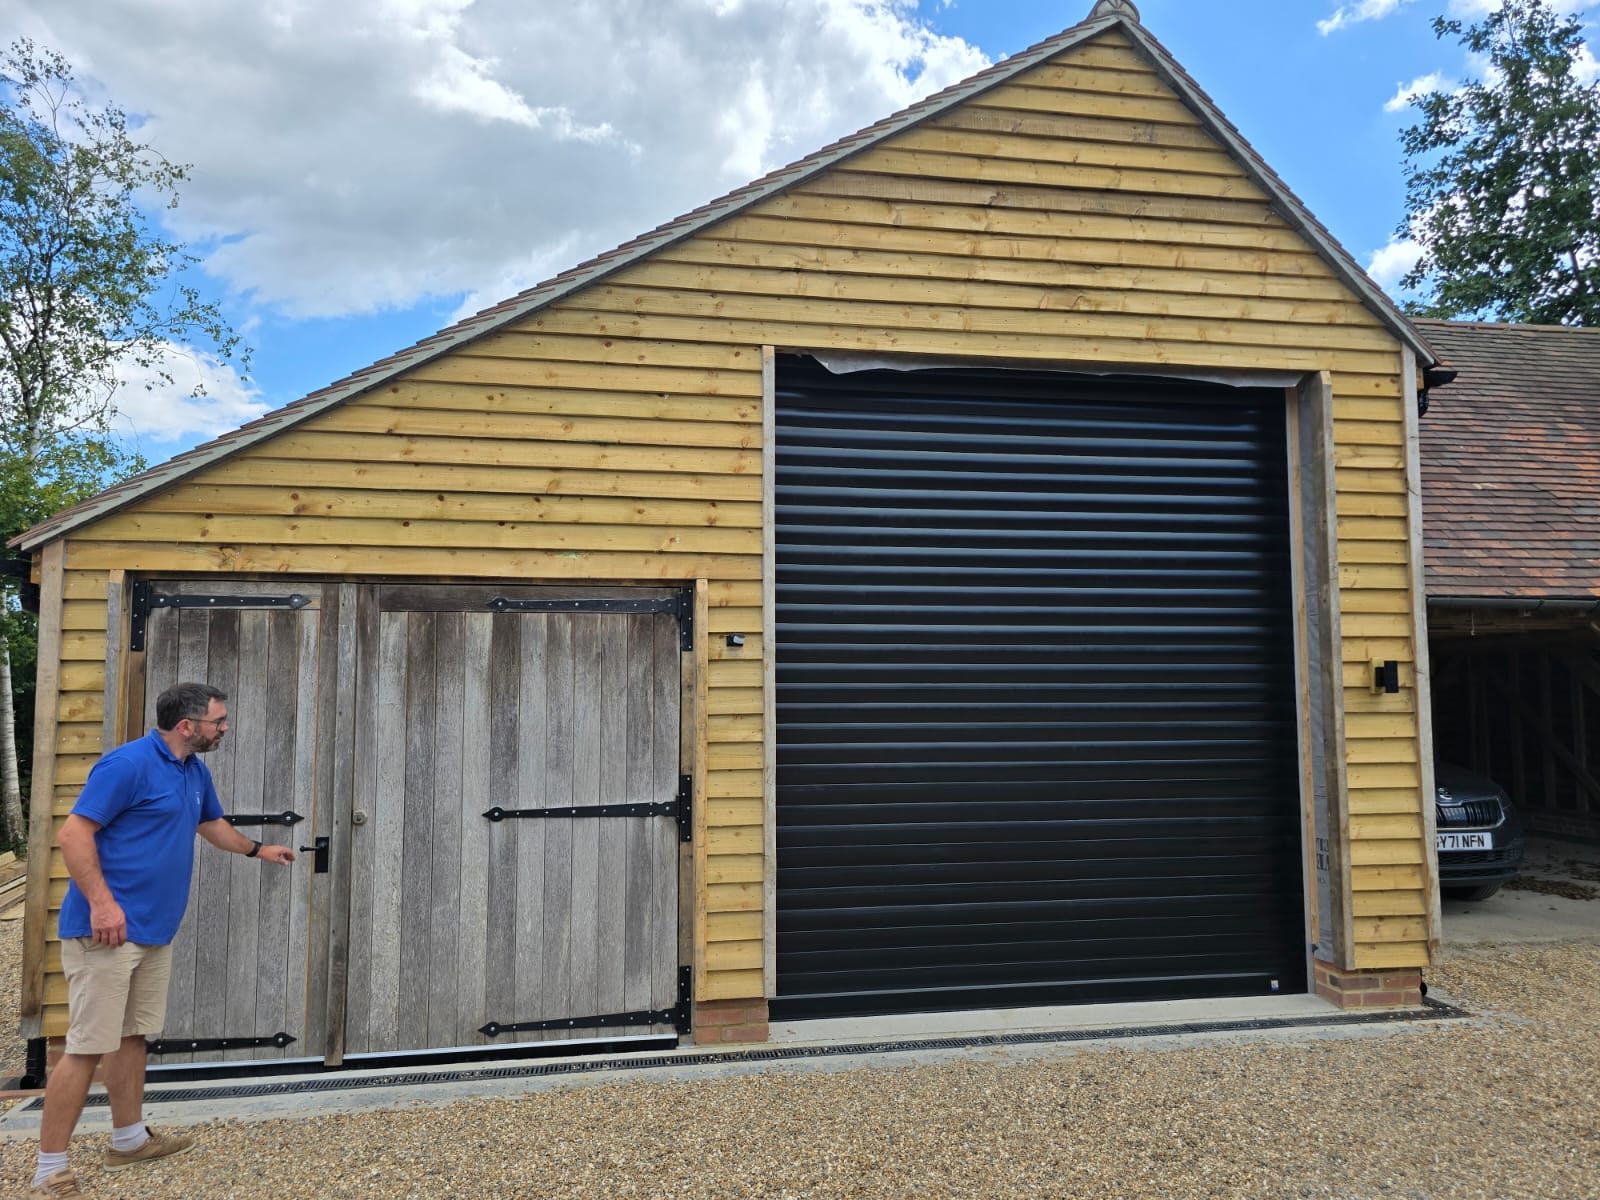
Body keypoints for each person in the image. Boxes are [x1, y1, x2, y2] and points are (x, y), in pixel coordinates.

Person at [28, 683, 296, 1199]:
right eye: (219, 720)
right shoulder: (125, 766)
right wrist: (104, 905)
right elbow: (74, 835)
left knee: (131, 1038)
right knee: (85, 1047)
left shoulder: (193, 769)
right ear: (187, 725)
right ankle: (49, 1169)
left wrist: (257, 849)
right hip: (106, 930)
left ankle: (128, 1141)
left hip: (153, 931)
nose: (225, 728)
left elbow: (210, 824)